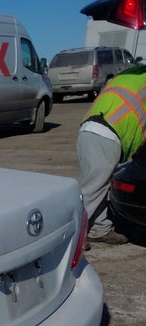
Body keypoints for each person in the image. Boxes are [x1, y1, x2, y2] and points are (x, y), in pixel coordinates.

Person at [76, 64, 146, 245]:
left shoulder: (131, 75)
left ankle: (100, 228)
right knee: (91, 190)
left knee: (99, 185)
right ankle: (73, 237)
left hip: (90, 129)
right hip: (107, 134)